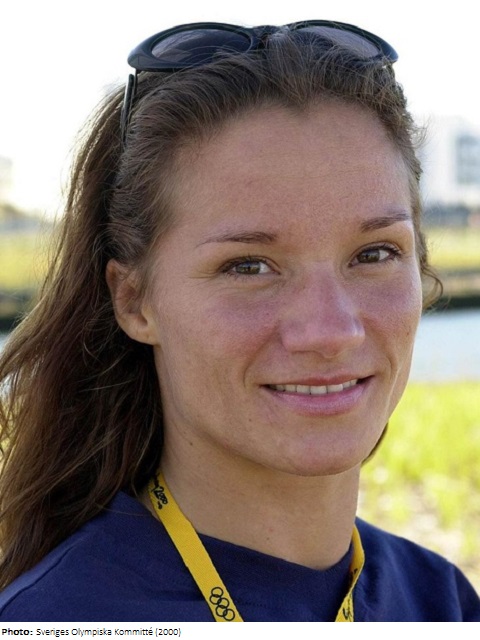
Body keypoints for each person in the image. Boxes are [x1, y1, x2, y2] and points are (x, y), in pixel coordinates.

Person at [0, 20, 479, 623]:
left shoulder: (440, 602)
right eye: (248, 266)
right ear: (134, 301)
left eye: (375, 253)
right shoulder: (57, 620)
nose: (331, 331)